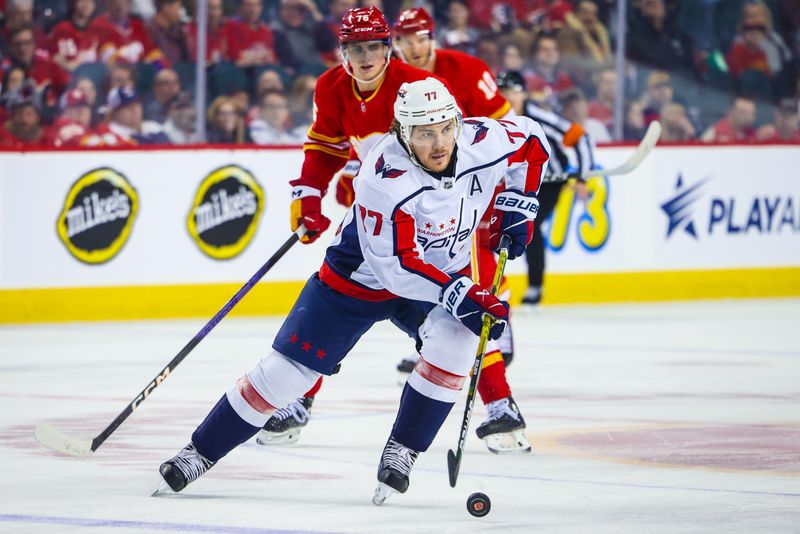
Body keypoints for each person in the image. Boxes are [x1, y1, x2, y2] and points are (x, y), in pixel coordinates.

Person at [156, 77, 550, 504]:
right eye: (424, 133)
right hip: (358, 281)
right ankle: (199, 451)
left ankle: (403, 450)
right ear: (403, 133)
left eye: (445, 128)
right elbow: (398, 268)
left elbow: (532, 141)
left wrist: (519, 205)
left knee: (457, 340)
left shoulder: (481, 139)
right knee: (286, 375)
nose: (439, 144)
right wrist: (461, 294)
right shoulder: (385, 175)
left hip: (436, 277)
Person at [253, 5, 452, 447]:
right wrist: (308, 192)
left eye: (373, 47)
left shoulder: (417, 87)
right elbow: (326, 144)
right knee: (335, 300)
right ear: (343, 52)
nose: (364, 57)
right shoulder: (330, 87)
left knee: (450, 319)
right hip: (375, 215)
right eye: (355, 48)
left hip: (429, 219)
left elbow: (450, 148)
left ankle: (499, 402)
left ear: (388, 49)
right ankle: (300, 397)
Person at [496, 70, 594, 307]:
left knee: (531, 224)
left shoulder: (538, 115)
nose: (508, 98)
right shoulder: (493, 116)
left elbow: (580, 137)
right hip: (514, 181)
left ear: (524, 94)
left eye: (513, 92)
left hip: (549, 181)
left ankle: (535, 286)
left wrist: (583, 177)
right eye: (503, 92)